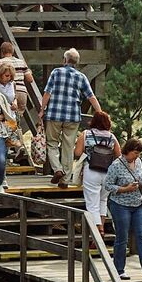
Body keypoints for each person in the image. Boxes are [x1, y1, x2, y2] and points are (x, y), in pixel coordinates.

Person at [39, 48, 101, 188]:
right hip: (73, 116)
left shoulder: (56, 72)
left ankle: (57, 169)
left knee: (52, 143)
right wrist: (100, 112)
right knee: (68, 147)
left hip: (54, 114)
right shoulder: (81, 77)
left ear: (64, 60)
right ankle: (66, 179)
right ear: (77, 62)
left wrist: (42, 110)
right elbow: (91, 97)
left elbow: (47, 93)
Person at [103, 139, 142, 278]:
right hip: (120, 205)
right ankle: (119, 270)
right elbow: (107, 185)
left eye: (139, 153)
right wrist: (125, 189)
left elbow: (140, 177)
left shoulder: (138, 162)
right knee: (122, 237)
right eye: (135, 153)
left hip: (137, 203)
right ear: (127, 151)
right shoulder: (116, 165)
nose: (137, 156)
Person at [77, 111, 118, 234]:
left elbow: (77, 153)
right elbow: (119, 155)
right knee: (103, 200)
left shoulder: (86, 134)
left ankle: (97, 230)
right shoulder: (112, 137)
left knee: (92, 203)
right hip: (107, 172)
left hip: (91, 170)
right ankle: (102, 226)